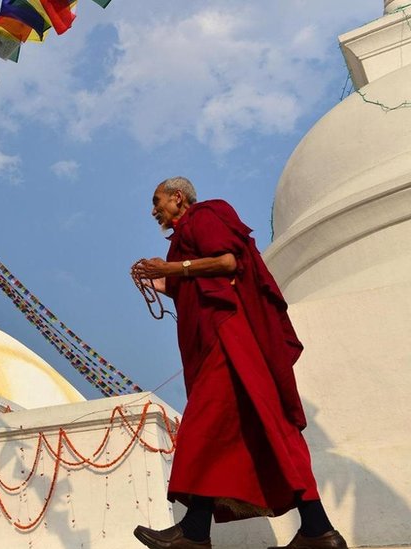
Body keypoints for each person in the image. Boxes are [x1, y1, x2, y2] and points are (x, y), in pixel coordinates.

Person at [129, 177, 347, 549]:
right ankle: (316, 529)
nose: (154, 210)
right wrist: (162, 282)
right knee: (261, 431)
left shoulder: (206, 214)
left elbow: (228, 261)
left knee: (203, 425)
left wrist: (172, 270)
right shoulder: (185, 238)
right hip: (219, 340)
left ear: (178, 198)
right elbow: (199, 281)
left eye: (158, 201)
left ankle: (195, 532)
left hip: (231, 340)